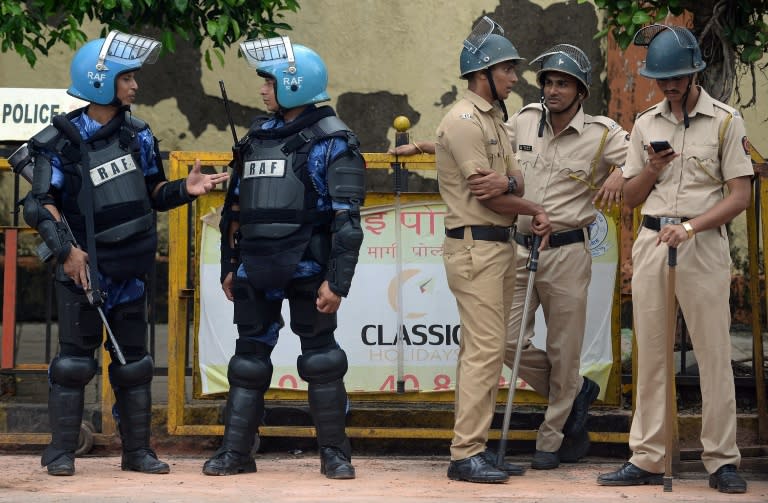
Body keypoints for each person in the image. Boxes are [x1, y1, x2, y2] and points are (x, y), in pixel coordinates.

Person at [13, 31, 228, 476]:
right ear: (99, 82)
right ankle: (60, 452)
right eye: (126, 78)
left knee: (134, 365)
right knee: (74, 365)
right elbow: (39, 204)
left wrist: (184, 190)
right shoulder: (58, 141)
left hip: (130, 266)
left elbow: (152, 192)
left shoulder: (138, 134)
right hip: (83, 268)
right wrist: (67, 252)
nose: (135, 86)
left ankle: (137, 452)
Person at [596, 24, 751, 494]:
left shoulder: (725, 120)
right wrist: (654, 168)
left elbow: (739, 195)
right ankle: (646, 456)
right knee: (653, 355)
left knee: (713, 353)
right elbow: (630, 197)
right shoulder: (645, 123)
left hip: (700, 241)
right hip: (652, 241)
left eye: (677, 77)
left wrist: (690, 227)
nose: (669, 86)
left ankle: (721, 460)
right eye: (661, 78)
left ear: (694, 73)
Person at [202, 36, 365, 480]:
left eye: (269, 82)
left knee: (321, 360)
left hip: (309, 267)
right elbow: (233, 212)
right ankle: (236, 453)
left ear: (295, 85)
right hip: (255, 267)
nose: (262, 90)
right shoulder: (256, 137)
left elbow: (347, 222)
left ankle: (335, 454)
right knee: (248, 361)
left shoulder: (334, 141)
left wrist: (339, 282)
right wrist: (229, 266)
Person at [467, 44, 628, 470]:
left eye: (563, 83)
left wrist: (620, 171)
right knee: (503, 341)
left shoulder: (602, 132)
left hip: (568, 252)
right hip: (519, 249)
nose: (553, 90)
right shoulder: (521, 120)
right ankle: (574, 392)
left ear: (580, 91)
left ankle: (552, 438)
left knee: (564, 349)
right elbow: (480, 145)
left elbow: (645, 157)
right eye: (549, 82)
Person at [437, 17, 552, 484]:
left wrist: (510, 184)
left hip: (497, 246)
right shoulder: (464, 121)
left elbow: (509, 179)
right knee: (485, 351)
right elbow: (488, 192)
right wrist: (529, 202)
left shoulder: (494, 120)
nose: (513, 77)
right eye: (507, 69)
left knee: (484, 349)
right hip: (475, 248)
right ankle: (466, 453)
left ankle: (476, 447)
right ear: (483, 72)